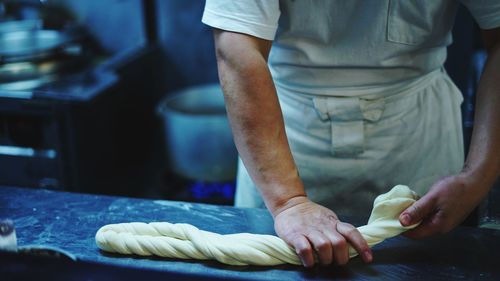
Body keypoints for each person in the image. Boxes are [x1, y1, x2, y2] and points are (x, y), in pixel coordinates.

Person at [202, 0, 500, 267]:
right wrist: (288, 202)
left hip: (418, 138)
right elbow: (235, 46)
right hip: (283, 139)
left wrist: (478, 176)